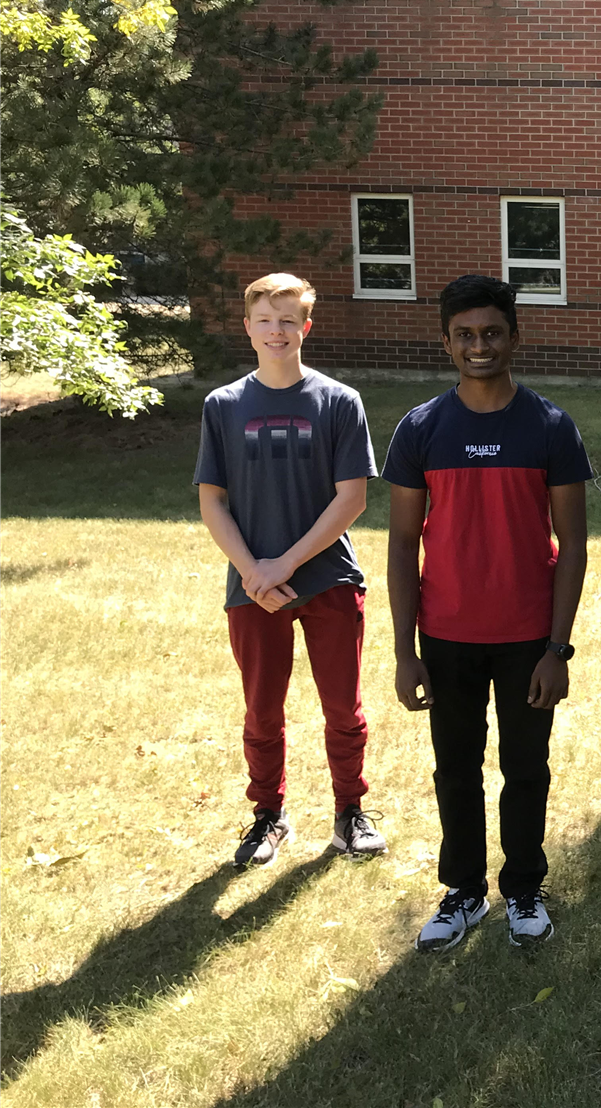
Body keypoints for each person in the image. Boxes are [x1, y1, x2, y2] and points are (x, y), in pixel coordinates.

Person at [384, 275, 592, 952]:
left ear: (514, 337)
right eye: (466, 335)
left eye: (492, 332)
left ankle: (524, 887)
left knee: (526, 767)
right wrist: (404, 650)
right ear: (446, 342)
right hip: (445, 637)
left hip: (527, 638)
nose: (480, 346)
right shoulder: (421, 430)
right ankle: (464, 892)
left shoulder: (551, 428)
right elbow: (402, 546)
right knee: (455, 767)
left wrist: (557, 650)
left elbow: (573, 547)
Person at [195, 272, 386, 868]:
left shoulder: (338, 401)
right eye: (264, 320)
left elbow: (351, 498)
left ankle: (349, 813)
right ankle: (267, 818)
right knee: (261, 710)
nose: (276, 331)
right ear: (246, 327)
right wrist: (254, 571)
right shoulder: (223, 405)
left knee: (343, 708)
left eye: (288, 320)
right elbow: (212, 501)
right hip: (252, 589)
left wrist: (285, 563)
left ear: (306, 326)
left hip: (327, 580)